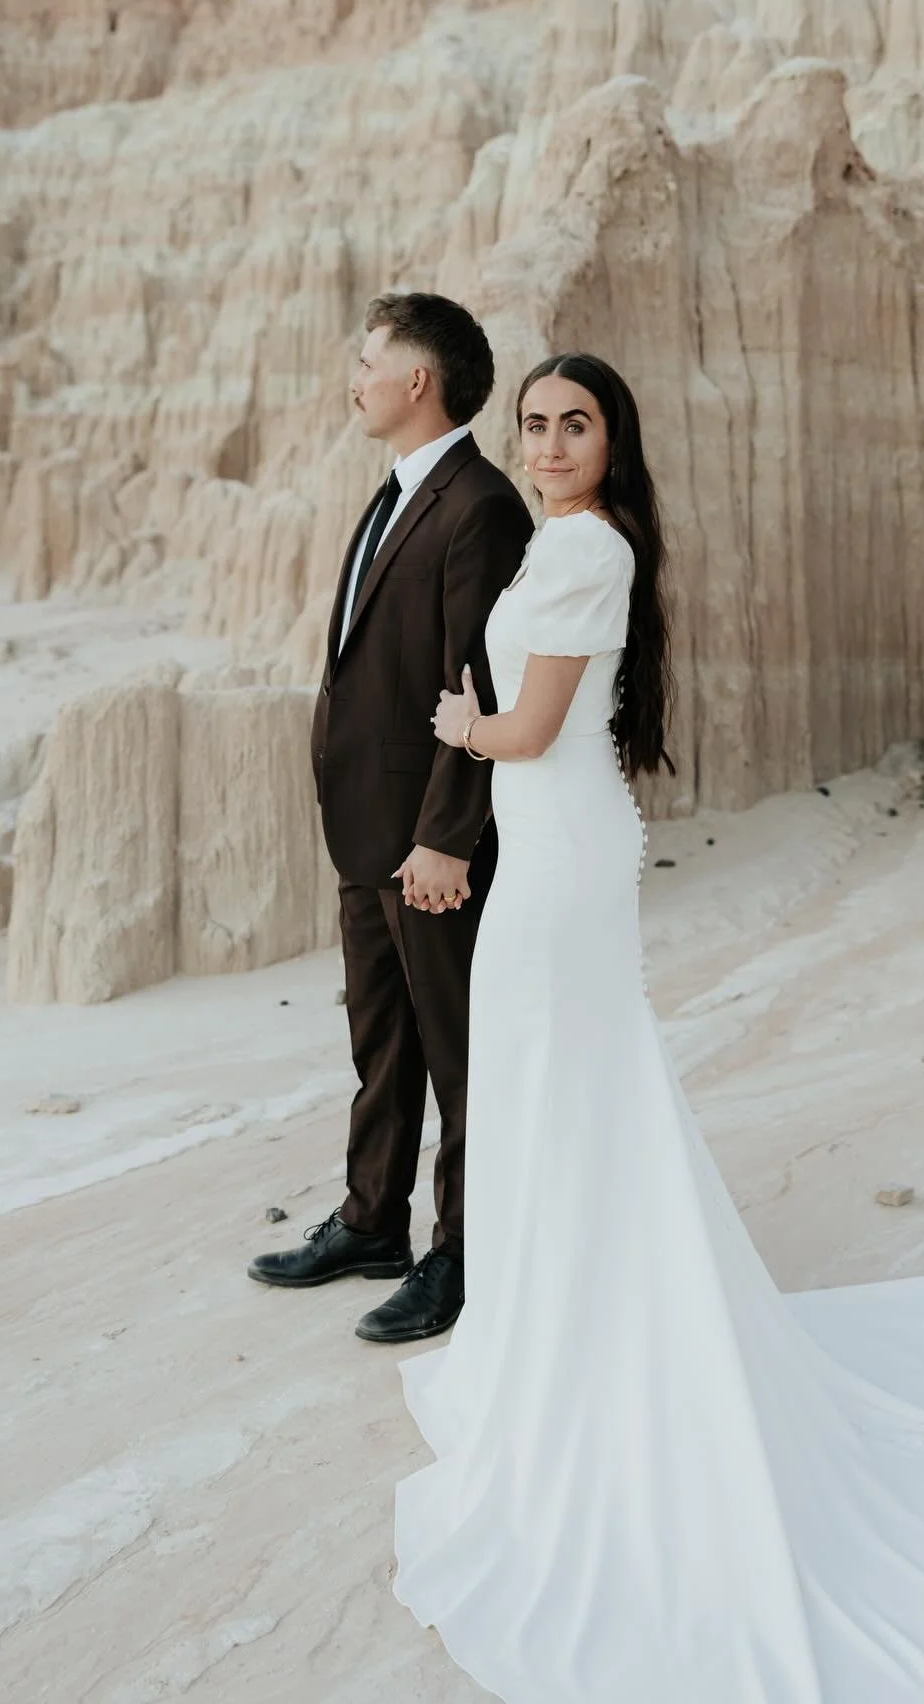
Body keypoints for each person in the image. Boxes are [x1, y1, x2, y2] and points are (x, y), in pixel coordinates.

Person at [391, 351, 924, 1702]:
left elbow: (532, 727)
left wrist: (459, 719)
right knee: (567, 1101)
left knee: (561, 1096)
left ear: (612, 443)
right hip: (559, 851)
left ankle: (575, 1353)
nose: (551, 444)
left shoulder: (581, 556)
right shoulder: (574, 544)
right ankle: (558, 1332)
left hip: (553, 865)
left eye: (576, 425)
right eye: (538, 426)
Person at [247, 293, 532, 1344]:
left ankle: (463, 1251)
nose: (354, 376)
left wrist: (447, 836)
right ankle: (374, 1221)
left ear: (420, 380)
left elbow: (480, 682)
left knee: (456, 1051)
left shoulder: (481, 506)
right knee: (381, 1040)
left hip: (429, 840)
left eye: (369, 359)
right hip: (368, 827)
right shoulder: (395, 495)